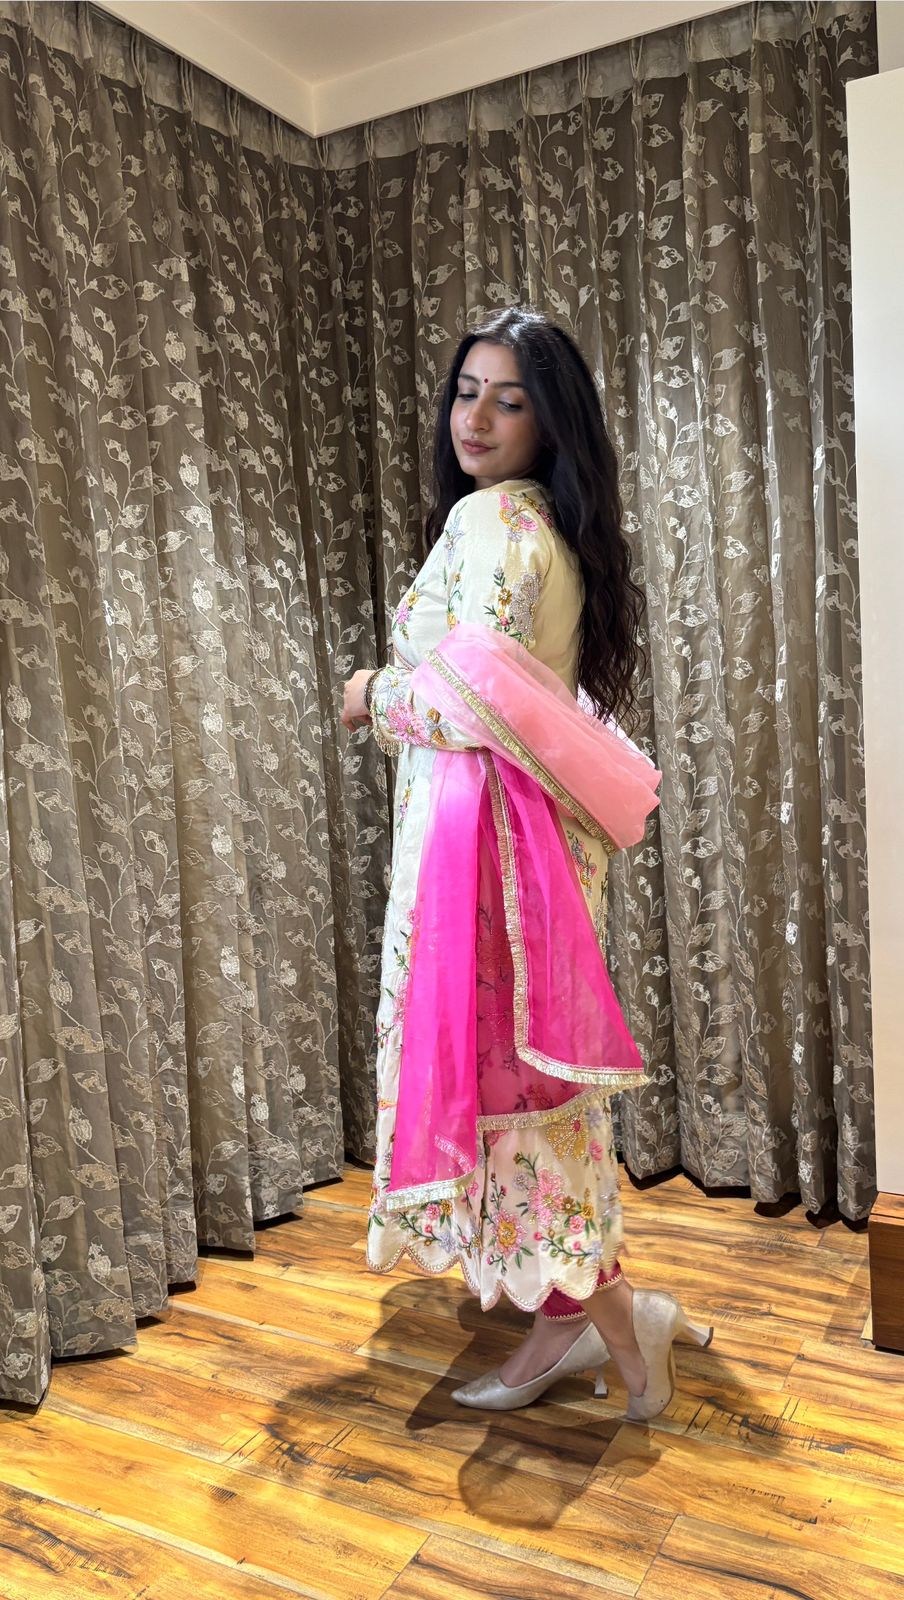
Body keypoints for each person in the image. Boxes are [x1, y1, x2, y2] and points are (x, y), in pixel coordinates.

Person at [341, 307, 712, 1419]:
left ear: (549, 423)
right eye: (467, 392)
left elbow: (472, 700)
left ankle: (607, 1322)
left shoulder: (495, 521)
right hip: (521, 858)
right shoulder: (547, 526)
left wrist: (372, 697)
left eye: (510, 400)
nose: (478, 417)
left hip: (488, 870)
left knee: (513, 1095)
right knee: (534, 1095)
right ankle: (584, 1312)